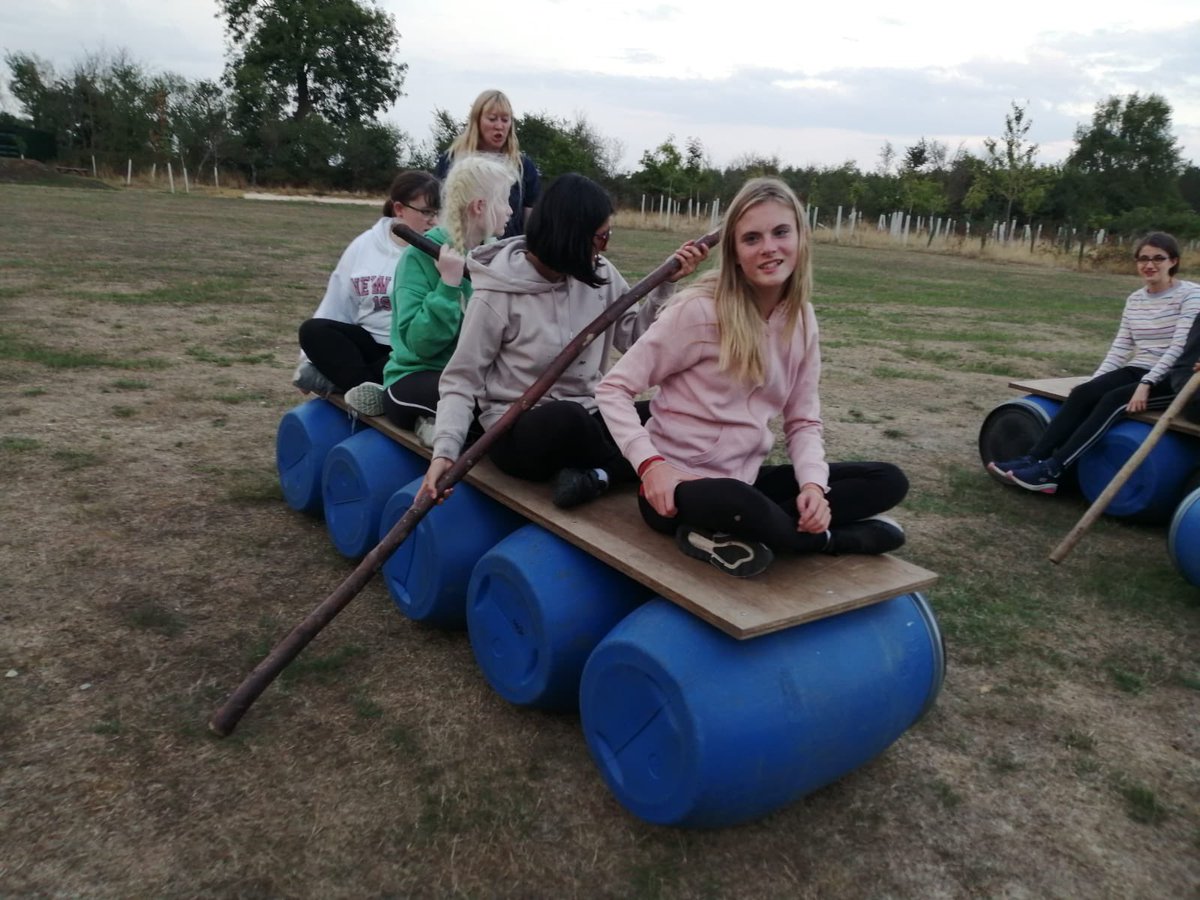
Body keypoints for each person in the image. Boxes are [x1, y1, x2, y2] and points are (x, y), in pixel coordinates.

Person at [594, 177, 908, 578]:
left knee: (886, 480)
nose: (769, 249)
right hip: (677, 489)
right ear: (735, 253)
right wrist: (650, 464)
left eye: (780, 232)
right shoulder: (697, 312)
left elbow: (803, 420)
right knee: (736, 500)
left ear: (801, 237)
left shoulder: (802, 320)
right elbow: (614, 388)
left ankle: (741, 534)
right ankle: (833, 540)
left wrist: (813, 488)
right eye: (752, 238)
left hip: (745, 479)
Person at [417, 173, 707, 510]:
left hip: (589, 416)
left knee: (667, 414)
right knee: (567, 419)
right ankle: (647, 465)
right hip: (522, 432)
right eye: (601, 237)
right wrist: (445, 452)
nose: (606, 246)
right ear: (569, 235)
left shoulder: (598, 272)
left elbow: (635, 339)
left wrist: (664, 288)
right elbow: (461, 380)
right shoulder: (497, 293)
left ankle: (602, 474)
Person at [989, 231, 1200, 492]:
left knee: (1113, 401)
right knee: (1083, 393)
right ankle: (1033, 457)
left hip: (1176, 378)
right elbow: (1121, 347)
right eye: (1143, 258)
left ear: (1173, 261)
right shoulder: (1135, 299)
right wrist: (1095, 380)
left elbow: (1180, 347)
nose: (1150, 264)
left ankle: (1053, 469)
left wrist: (1147, 383)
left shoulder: (1190, 295)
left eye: (1159, 258)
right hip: (1140, 367)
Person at [370, 154, 516, 429]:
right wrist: (448, 286)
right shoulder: (418, 258)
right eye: (504, 200)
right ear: (480, 206)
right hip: (417, 376)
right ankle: (427, 425)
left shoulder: (494, 259)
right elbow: (421, 345)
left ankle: (436, 428)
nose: (510, 210)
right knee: (473, 403)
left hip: (471, 376)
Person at [293, 170, 441, 396]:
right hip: (369, 344)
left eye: (438, 213)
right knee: (313, 331)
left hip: (409, 351)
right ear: (399, 209)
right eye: (426, 212)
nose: (434, 221)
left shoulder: (439, 252)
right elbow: (336, 303)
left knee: (409, 367)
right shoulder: (364, 245)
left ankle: (351, 385)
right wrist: (310, 357)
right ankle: (373, 391)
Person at [434, 90, 539, 239]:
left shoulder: (523, 166)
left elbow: (531, 221)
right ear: (477, 120)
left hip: (506, 254)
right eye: (492, 119)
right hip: (458, 247)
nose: (499, 126)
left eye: (505, 120)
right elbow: (439, 210)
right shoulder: (451, 160)